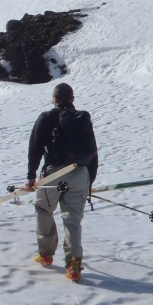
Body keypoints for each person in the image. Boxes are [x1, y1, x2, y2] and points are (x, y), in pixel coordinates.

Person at [26, 82, 98, 282]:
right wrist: (89, 181)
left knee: (43, 209)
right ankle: (74, 265)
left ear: (54, 99)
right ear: (72, 99)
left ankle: (46, 254)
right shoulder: (82, 119)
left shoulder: (46, 117)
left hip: (54, 174)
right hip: (80, 173)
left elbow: (35, 147)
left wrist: (31, 176)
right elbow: (93, 152)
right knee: (72, 219)